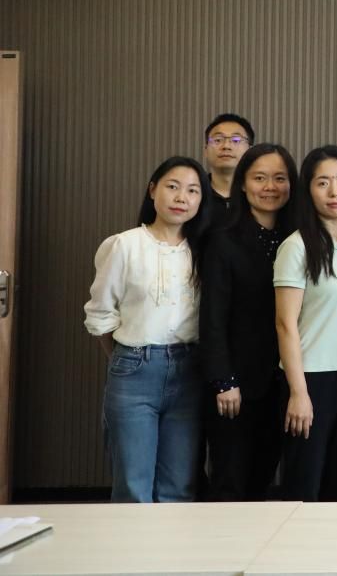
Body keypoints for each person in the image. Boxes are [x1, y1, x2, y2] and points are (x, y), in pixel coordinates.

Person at [84, 156, 210, 502]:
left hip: (190, 370)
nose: (182, 197)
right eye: (173, 186)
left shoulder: (203, 251)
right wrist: (124, 358)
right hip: (134, 368)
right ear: (153, 190)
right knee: (133, 486)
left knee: (179, 487)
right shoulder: (124, 245)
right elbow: (100, 312)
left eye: (193, 190)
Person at [199, 143, 298, 501]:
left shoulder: (298, 239)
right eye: (260, 178)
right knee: (230, 480)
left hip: (283, 382)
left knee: (263, 477)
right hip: (236, 385)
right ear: (242, 184)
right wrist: (224, 380)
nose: (270, 187)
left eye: (280, 178)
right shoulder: (223, 239)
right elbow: (212, 318)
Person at [274, 145, 337, 502]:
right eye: (323, 183)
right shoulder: (297, 246)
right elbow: (285, 324)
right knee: (304, 485)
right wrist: (299, 393)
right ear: (308, 191)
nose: (335, 191)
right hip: (311, 378)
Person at [202, 113, 255, 227]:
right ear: (206, 150)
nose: (226, 146)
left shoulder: (259, 195)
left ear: (250, 151)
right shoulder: (194, 194)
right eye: (218, 140)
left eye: (236, 140)